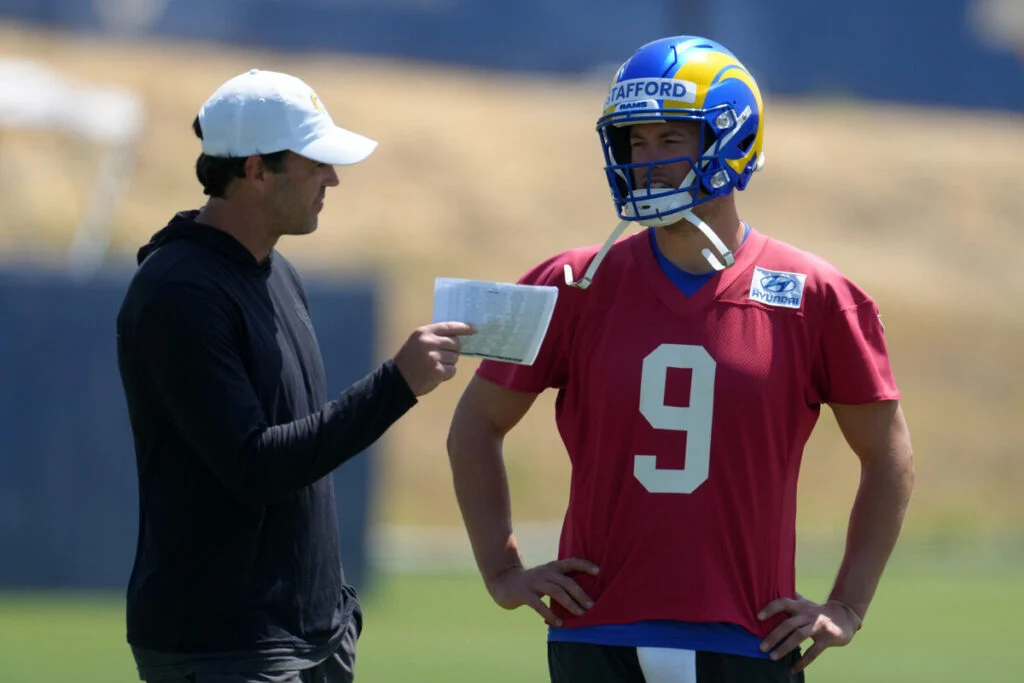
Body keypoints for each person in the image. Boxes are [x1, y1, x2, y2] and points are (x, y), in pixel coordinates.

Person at [446, 36, 914, 683]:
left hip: (748, 638)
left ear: (731, 141)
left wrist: (848, 604)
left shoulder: (821, 295)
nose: (649, 162)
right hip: (596, 635)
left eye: (671, 140)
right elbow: (474, 424)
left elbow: (889, 453)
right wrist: (501, 569)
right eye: (636, 143)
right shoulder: (566, 280)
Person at [116, 69, 474, 683]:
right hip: (226, 650)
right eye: (316, 163)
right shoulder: (180, 292)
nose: (332, 178)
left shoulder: (274, 272)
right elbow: (255, 465)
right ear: (256, 171)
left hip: (305, 640)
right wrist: (396, 385)